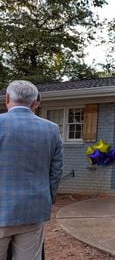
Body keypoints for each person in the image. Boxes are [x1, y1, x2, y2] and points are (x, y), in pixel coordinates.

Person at [0, 80, 64, 260]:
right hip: (34, 209)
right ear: (35, 103)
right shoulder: (51, 129)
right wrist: (47, 198)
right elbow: (57, 169)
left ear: (7, 98)